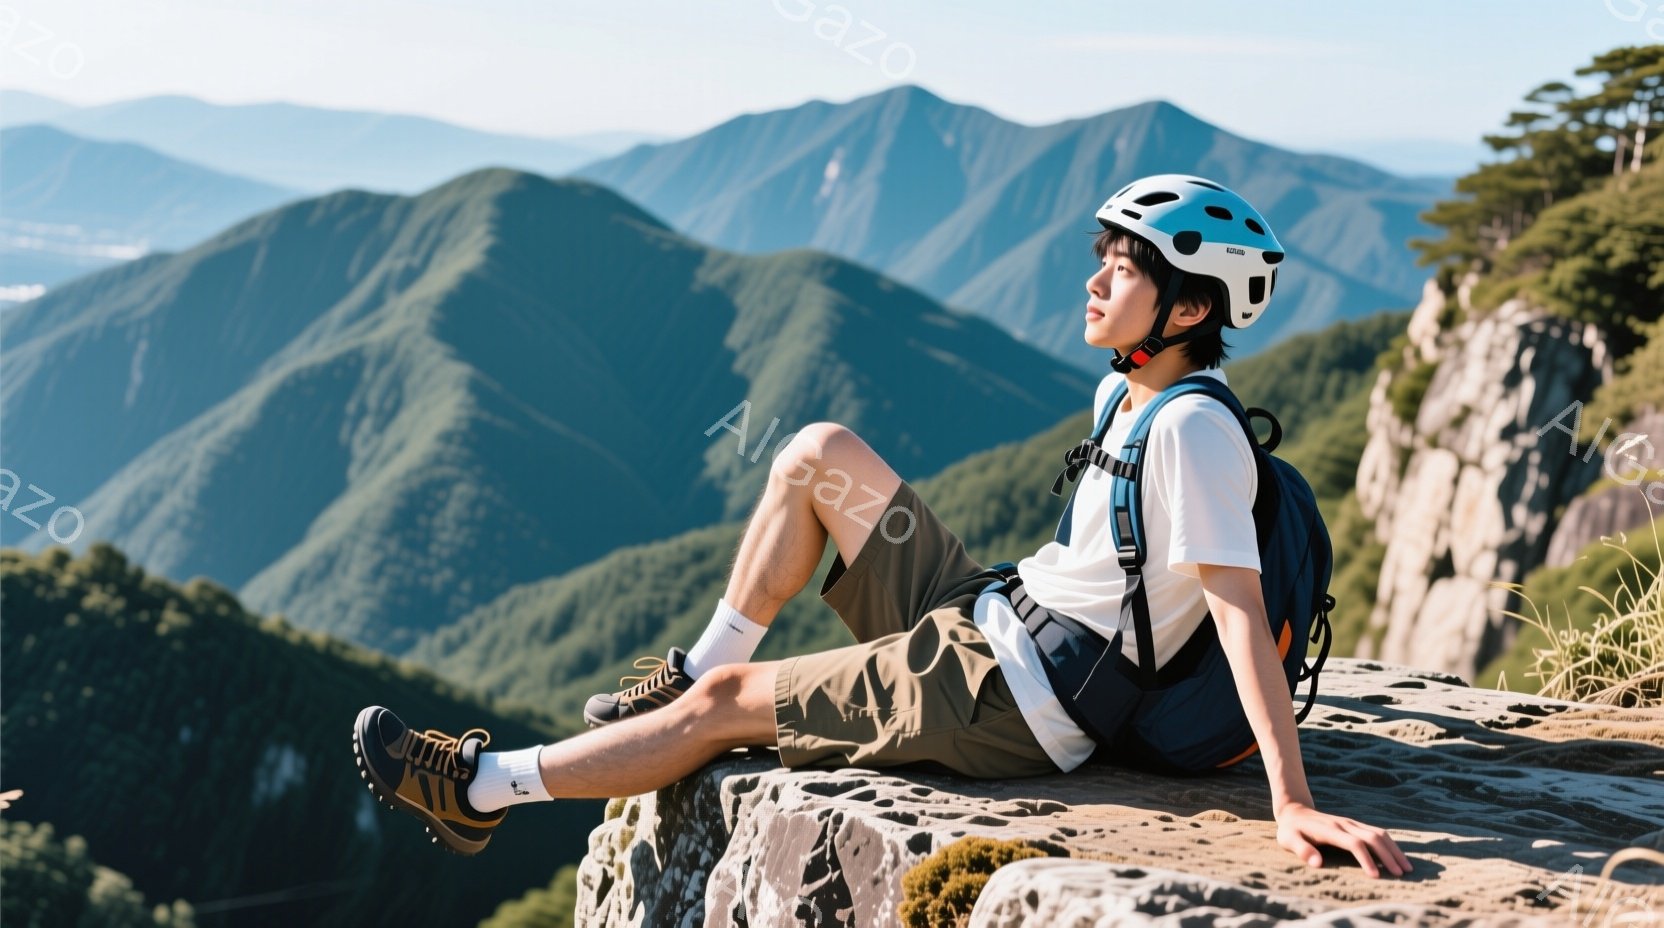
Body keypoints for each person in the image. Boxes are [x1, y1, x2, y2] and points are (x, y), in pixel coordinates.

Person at [352, 174, 1412, 879]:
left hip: (1017, 697)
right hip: (995, 613)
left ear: (1187, 310)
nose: (1094, 279)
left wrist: (1289, 800)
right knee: (818, 452)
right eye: (1104, 255)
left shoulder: (1191, 431)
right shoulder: (1124, 395)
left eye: (1125, 268)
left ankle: (480, 790)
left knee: (726, 712)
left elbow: (1235, 615)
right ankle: (693, 669)